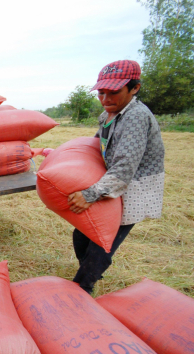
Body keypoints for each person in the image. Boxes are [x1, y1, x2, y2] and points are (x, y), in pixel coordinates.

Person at [66, 60, 165, 294]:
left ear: (134, 88)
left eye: (113, 92)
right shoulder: (108, 115)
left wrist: (90, 194)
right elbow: (97, 145)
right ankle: (87, 274)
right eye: (101, 92)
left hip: (131, 187)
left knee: (102, 242)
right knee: (82, 234)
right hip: (108, 184)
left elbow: (125, 167)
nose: (106, 99)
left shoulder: (136, 117)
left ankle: (83, 288)